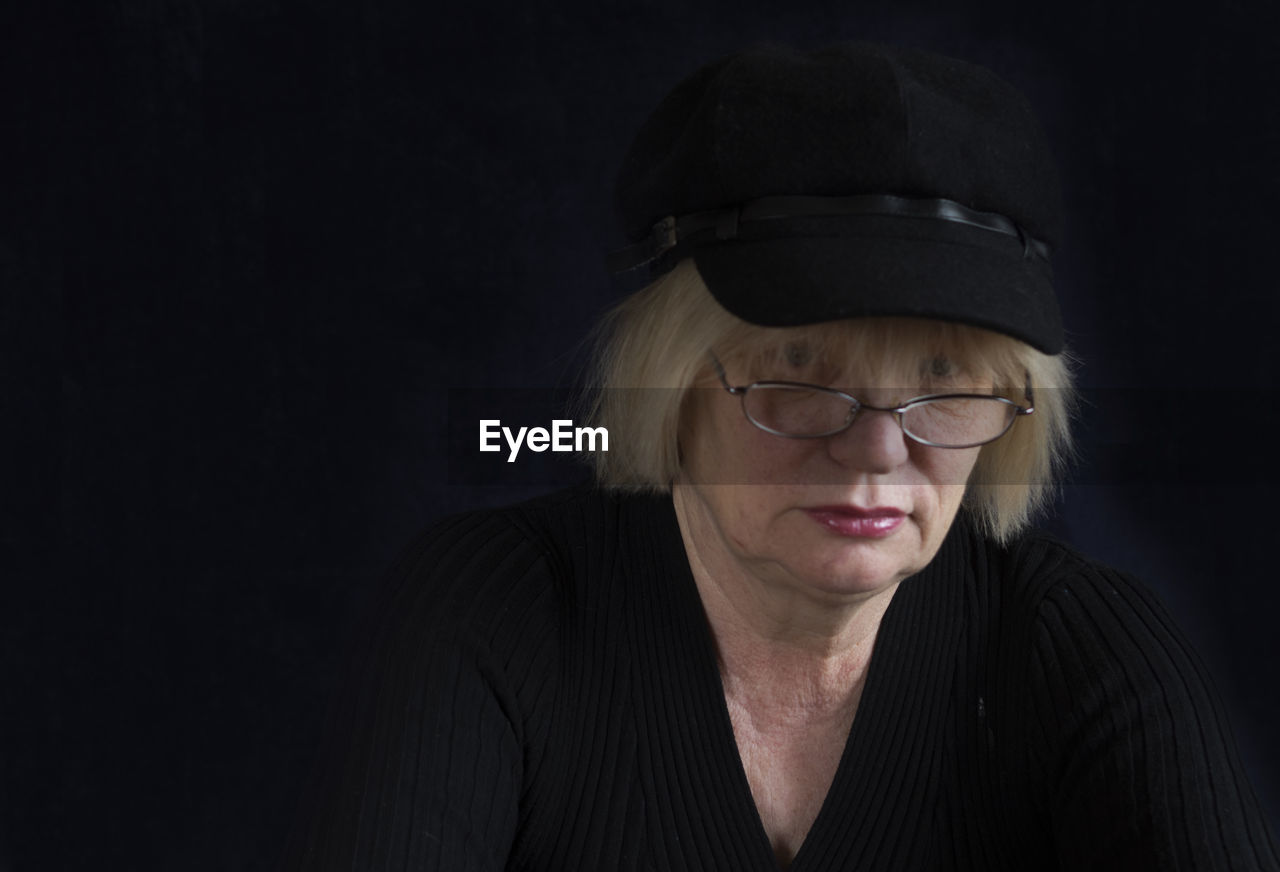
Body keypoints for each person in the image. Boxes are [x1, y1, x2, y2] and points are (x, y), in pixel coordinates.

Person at [288, 42, 1279, 870]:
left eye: (942, 381)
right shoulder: (493, 610)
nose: (876, 454)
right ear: (672, 385)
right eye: (800, 376)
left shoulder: (1084, 644)